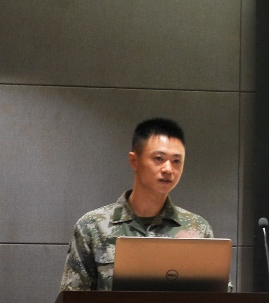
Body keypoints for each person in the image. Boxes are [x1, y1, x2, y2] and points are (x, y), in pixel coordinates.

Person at [60, 117, 214, 291]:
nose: (168, 169)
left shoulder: (197, 229)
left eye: (176, 161)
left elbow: (220, 299)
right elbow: (72, 301)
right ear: (134, 161)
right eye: (159, 158)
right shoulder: (92, 227)